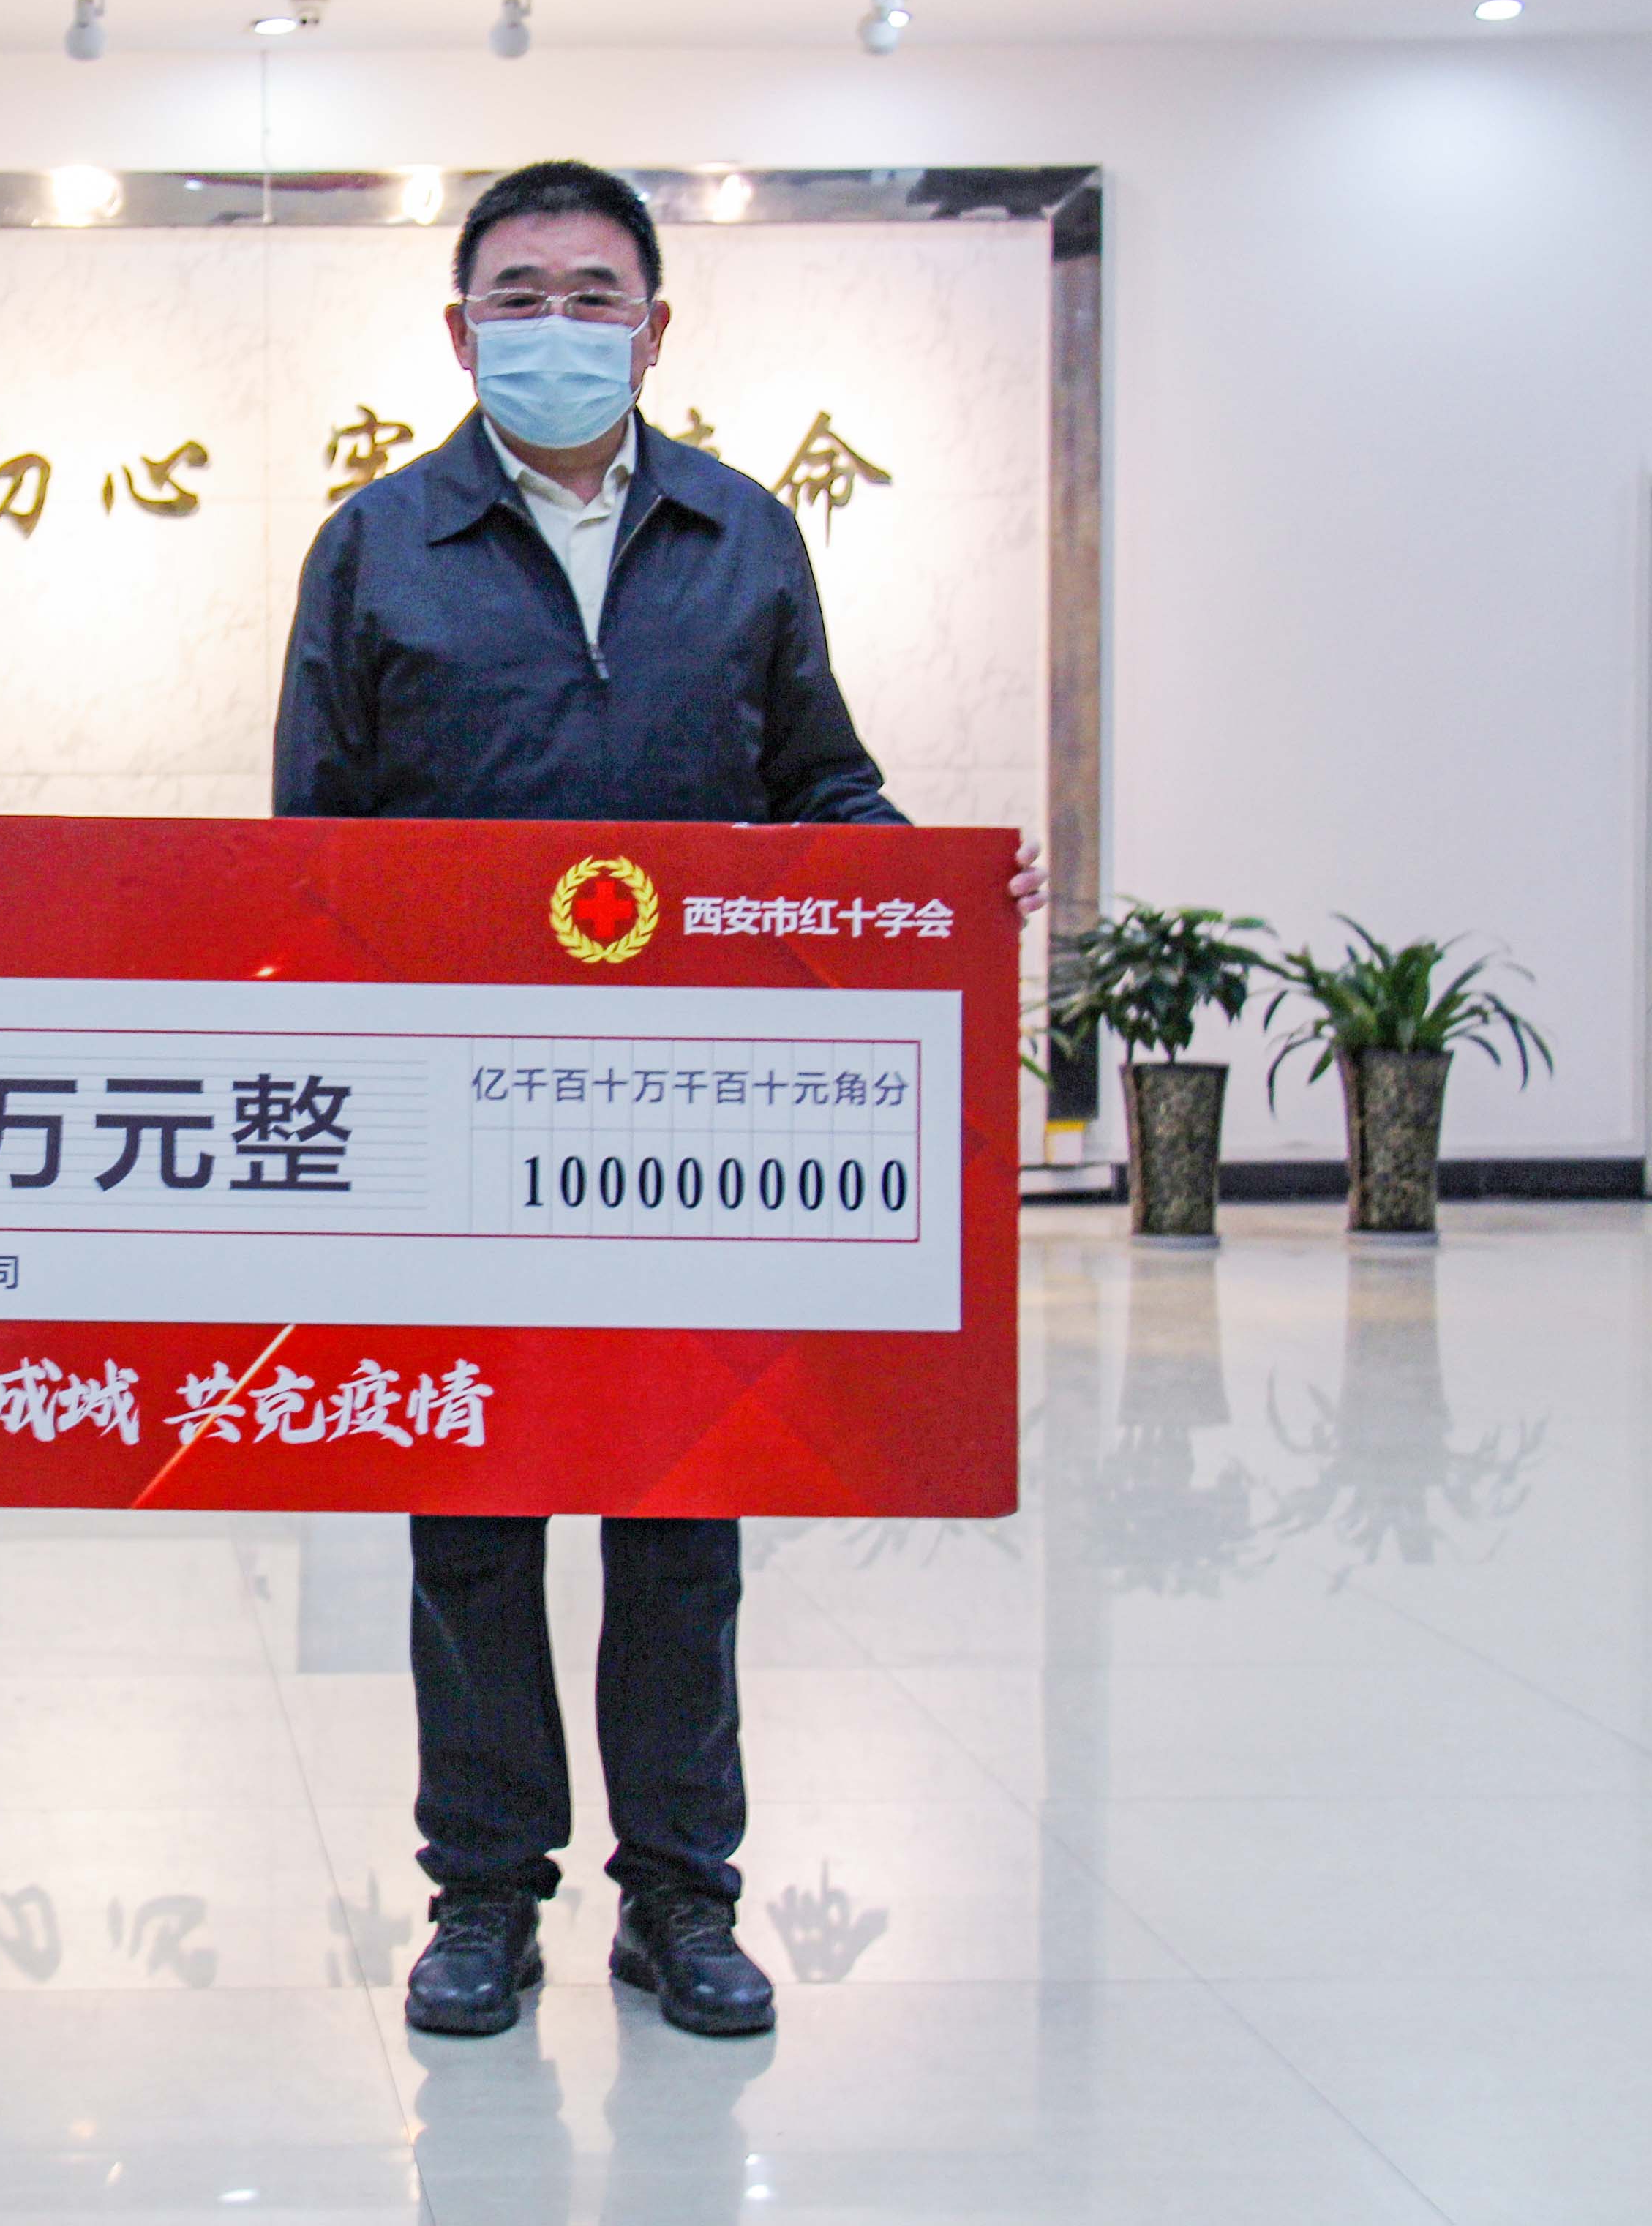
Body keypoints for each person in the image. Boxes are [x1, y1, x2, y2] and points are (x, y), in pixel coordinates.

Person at [273, 160, 1045, 2041]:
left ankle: (681, 1895)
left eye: (591, 293)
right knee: (470, 1518)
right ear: (457, 330)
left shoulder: (740, 533)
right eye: (518, 294)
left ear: (653, 325)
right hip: (454, 1126)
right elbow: (307, 856)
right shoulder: (374, 546)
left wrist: (928, 881)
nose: (555, 324)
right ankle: (478, 1896)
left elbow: (816, 785)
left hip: (684, 1123)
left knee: (681, 1514)